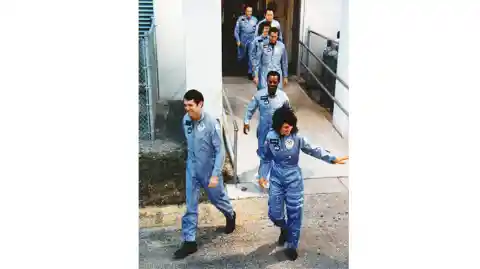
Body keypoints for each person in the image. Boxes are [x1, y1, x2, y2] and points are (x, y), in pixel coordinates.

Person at [258, 104, 349, 261]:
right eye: (285, 127)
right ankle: (284, 229)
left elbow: (313, 149)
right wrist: (262, 175)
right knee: (274, 213)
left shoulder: (297, 138)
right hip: (277, 178)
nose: (288, 129)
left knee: (295, 213)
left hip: (294, 179)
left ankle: (292, 245)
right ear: (278, 125)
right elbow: (266, 157)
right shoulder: (270, 137)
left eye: (291, 126)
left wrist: (332, 158)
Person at [174, 89, 237, 259]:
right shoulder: (186, 120)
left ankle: (230, 214)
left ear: (200, 104)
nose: (187, 109)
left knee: (218, 199)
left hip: (209, 171)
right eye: (185, 105)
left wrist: (216, 174)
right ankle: (189, 241)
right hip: (192, 170)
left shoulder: (211, 123)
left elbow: (220, 151)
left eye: (190, 105)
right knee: (191, 205)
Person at [243, 71, 290, 184]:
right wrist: (246, 122)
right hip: (263, 130)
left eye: (275, 82)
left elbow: (289, 113)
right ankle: (262, 175)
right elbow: (250, 109)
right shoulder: (259, 95)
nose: (272, 84)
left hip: (277, 132)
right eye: (270, 82)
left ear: (278, 82)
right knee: (264, 153)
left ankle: (274, 177)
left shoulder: (283, 97)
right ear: (267, 82)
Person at [234, 5, 258, 79]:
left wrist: (256, 40)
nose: (249, 13)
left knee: (251, 55)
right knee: (241, 56)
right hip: (243, 39)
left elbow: (257, 31)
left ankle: (250, 72)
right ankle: (239, 70)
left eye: (250, 11)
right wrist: (238, 40)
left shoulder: (255, 19)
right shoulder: (240, 19)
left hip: (252, 38)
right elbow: (236, 31)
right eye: (248, 11)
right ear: (245, 11)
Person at [249, 21, 271, 89]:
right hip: (258, 67)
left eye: (268, 28)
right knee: (260, 88)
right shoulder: (256, 40)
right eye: (265, 28)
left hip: (269, 67)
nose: (267, 30)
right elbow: (252, 54)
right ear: (262, 29)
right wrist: (254, 66)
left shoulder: (270, 40)